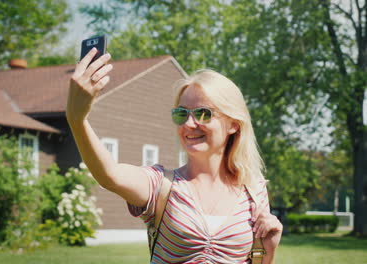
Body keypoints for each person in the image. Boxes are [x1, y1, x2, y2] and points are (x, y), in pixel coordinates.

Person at [67, 47, 283, 263]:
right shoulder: (162, 186)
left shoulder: (254, 191)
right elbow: (110, 175)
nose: (189, 124)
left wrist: (269, 248)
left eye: (203, 114)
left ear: (233, 125)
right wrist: (77, 119)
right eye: (181, 114)